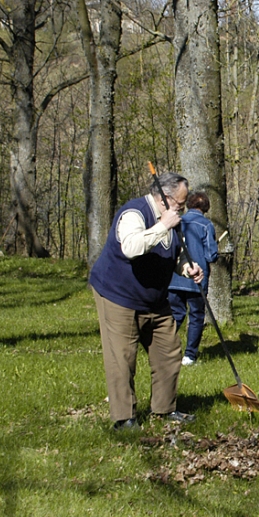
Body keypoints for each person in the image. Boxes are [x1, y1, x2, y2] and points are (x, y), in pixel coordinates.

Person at [89, 172, 203, 430]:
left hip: (155, 298)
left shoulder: (175, 221)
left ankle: (164, 409)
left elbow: (173, 254)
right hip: (119, 295)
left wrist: (187, 268)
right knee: (122, 358)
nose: (182, 210)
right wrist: (162, 225)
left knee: (169, 351)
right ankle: (124, 418)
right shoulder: (134, 213)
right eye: (180, 204)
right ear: (164, 199)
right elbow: (130, 247)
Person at [168, 192, 219, 367]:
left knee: (175, 314)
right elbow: (211, 255)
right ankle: (189, 355)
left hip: (174, 278)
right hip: (197, 279)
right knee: (196, 316)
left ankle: (166, 350)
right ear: (206, 208)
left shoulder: (176, 222)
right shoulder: (206, 225)